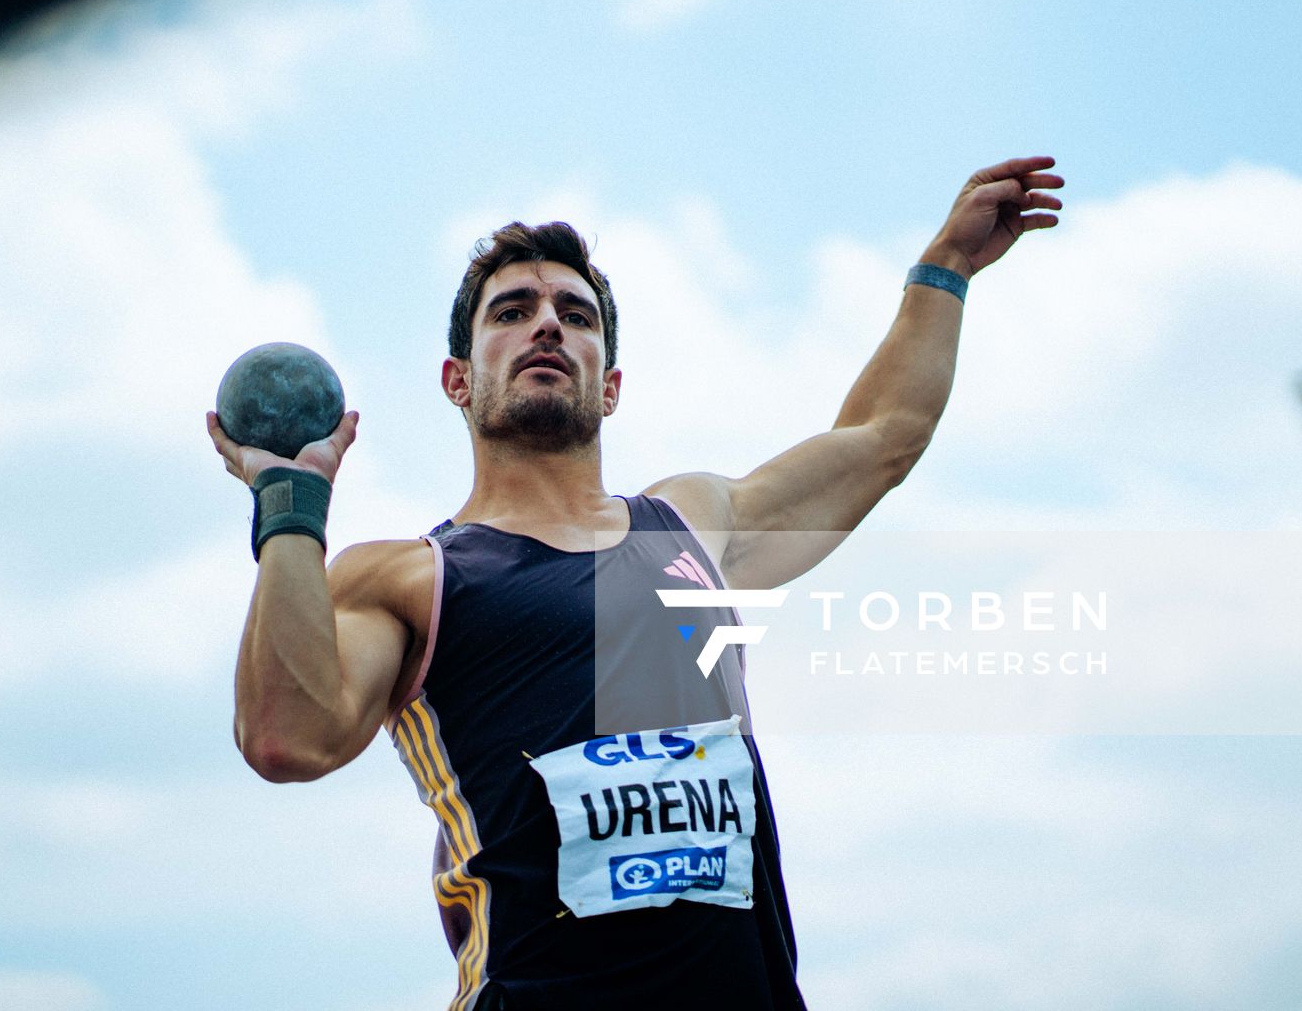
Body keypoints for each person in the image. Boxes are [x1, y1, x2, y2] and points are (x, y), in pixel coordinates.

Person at [205, 157, 1063, 1009]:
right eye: (513, 311)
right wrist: (291, 502)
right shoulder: (410, 577)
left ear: (610, 386)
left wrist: (945, 268)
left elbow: (883, 436)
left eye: (575, 316)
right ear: (457, 380)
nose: (548, 324)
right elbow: (288, 738)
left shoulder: (689, 525)